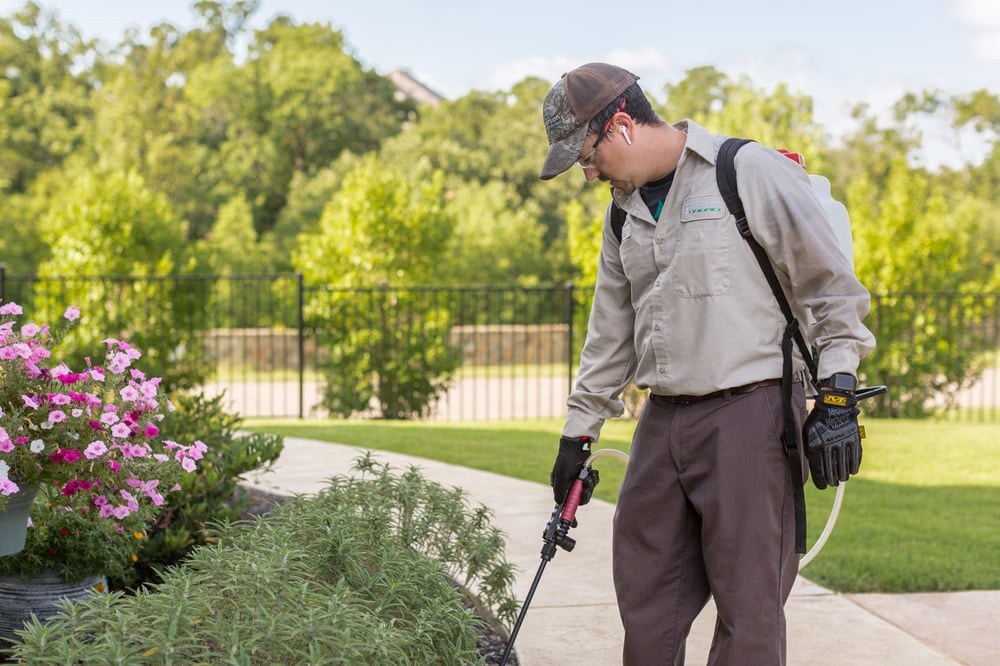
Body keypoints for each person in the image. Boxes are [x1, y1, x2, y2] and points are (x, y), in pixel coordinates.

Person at [539, 62, 876, 665]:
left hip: (750, 416)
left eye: (586, 155)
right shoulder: (622, 214)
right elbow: (610, 335)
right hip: (662, 422)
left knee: (749, 612)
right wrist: (577, 434)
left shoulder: (744, 173)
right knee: (645, 598)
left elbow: (832, 292)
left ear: (619, 126)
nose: (586, 172)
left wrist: (837, 393)